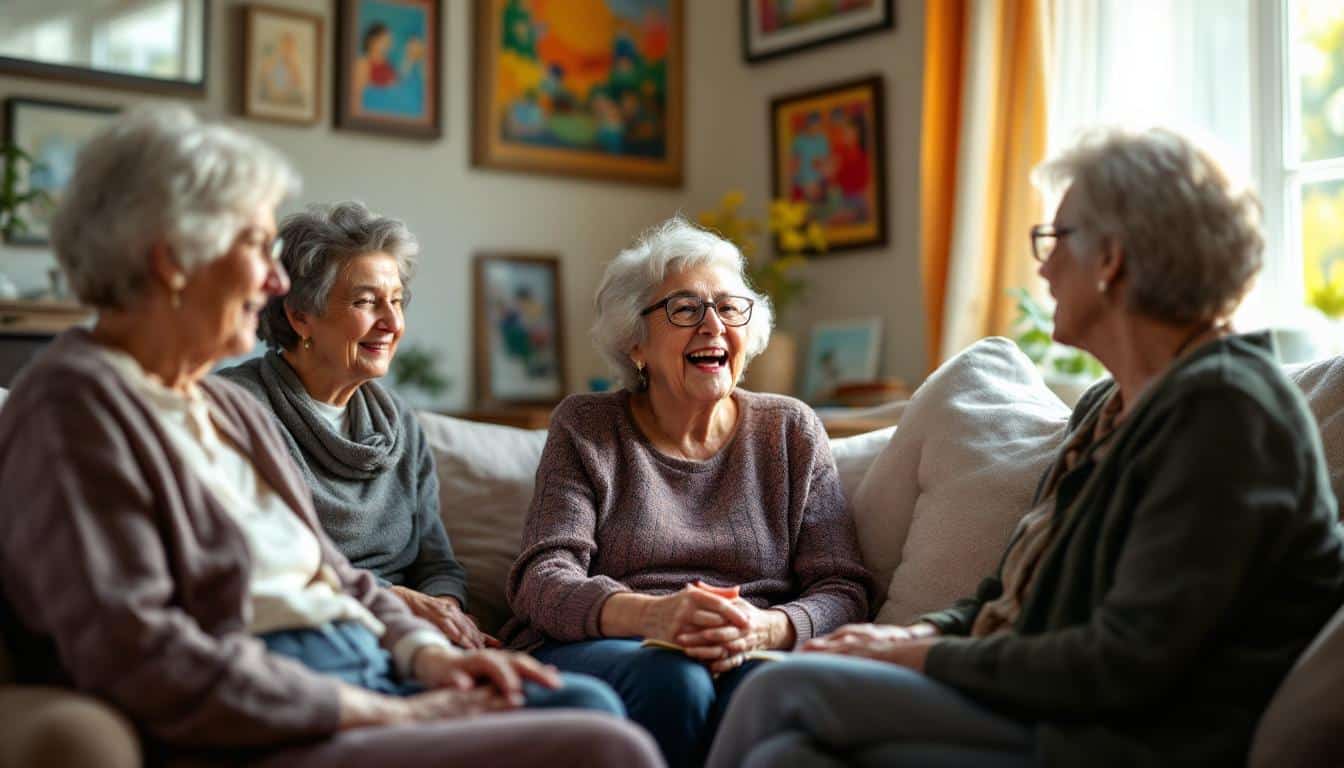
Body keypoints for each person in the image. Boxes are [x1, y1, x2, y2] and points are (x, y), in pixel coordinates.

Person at [0, 104, 661, 768]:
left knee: (588, 703)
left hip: (363, 668)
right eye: (256, 247)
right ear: (172, 260)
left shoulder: (217, 410)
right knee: (606, 745)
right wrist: (385, 710)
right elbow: (136, 649)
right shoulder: (73, 408)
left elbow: (338, 574)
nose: (277, 281)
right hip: (283, 708)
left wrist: (426, 654)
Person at [705, 127, 1344, 768]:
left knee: (785, 687)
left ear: (1111, 259)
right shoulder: (1108, 407)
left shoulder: (1228, 414)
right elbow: (1014, 594)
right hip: (1050, 709)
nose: (1042, 264)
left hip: (1130, 738)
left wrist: (914, 655)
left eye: (1056, 239)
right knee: (786, 755)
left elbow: (1125, 663)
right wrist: (917, 630)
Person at [501, 217, 873, 768]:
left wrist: (767, 628)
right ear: (636, 343)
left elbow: (843, 587)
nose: (713, 326)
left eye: (729, 307)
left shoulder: (790, 430)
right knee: (676, 678)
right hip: (613, 645)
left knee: (764, 687)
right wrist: (653, 617)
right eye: (684, 309)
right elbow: (542, 580)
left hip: (748, 645)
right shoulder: (587, 426)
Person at [218, 201, 493, 649]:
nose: (391, 323)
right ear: (300, 316)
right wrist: (400, 604)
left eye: (397, 301)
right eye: (366, 302)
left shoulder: (399, 423)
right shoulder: (239, 409)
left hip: (415, 636)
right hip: (317, 630)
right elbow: (265, 563)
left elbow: (437, 564)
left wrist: (446, 616)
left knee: (579, 697)